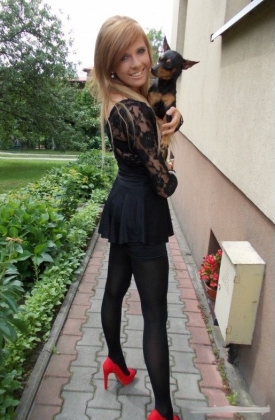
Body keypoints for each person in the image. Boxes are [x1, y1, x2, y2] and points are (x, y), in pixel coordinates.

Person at [88, 16, 183, 420]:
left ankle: (116, 362)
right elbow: (163, 184)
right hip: (143, 210)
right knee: (155, 315)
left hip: (123, 202)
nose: (137, 63)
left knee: (114, 291)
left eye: (140, 51)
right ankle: (163, 410)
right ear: (110, 64)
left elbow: (154, 122)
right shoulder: (135, 109)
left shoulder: (117, 100)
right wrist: (172, 172)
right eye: (123, 57)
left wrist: (175, 118)